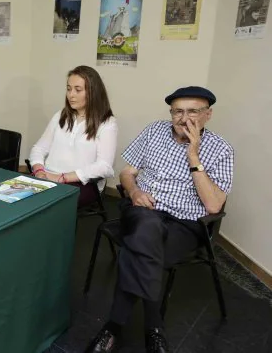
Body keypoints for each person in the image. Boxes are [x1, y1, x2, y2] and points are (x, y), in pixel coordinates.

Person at [85, 86, 234, 353]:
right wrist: (134, 191)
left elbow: (213, 204)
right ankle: (153, 329)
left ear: (208, 115)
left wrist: (194, 157)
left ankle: (112, 328)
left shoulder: (221, 150)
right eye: (177, 111)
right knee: (146, 226)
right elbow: (127, 173)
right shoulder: (154, 131)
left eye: (193, 111)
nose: (183, 118)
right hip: (142, 209)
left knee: (140, 248)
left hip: (186, 223)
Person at [29, 65, 117, 207]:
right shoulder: (60, 115)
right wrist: (39, 170)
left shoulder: (107, 123)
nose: (71, 95)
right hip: (48, 176)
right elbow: (39, 148)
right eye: (69, 89)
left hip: (82, 184)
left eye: (78, 90)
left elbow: (104, 167)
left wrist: (64, 178)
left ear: (93, 92)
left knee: (47, 204)